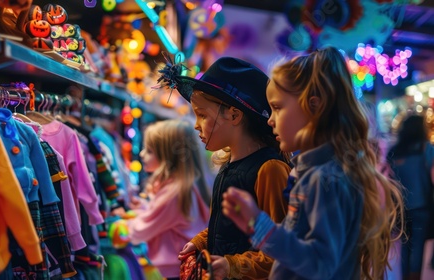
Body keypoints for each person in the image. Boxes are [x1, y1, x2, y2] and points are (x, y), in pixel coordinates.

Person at [221, 46, 405, 280]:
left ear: (314, 107)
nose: (270, 120)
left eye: (277, 108)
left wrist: (260, 226)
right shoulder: (310, 172)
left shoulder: (324, 179)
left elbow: (320, 264)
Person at [157, 56, 292, 279]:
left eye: (202, 115)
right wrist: (200, 242)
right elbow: (227, 228)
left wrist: (233, 266)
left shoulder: (270, 170)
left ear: (234, 115)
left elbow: (280, 252)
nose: (196, 125)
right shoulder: (229, 165)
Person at [126, 119, 210, 280]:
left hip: (171, 273)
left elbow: (139, 231)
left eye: (149, 150)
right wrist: (145, 208)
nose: (142, 155)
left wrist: (118, 225)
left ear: (169, 156)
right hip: (179, 269)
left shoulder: (174, 192)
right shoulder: (183, 186)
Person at [387, 114, 434, 280]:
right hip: (422, 206)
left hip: (401, 208)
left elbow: (389, 181)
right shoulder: (426, 148)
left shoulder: (395, 151)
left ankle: (405, 277)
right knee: (418, 246)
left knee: (405, 246)